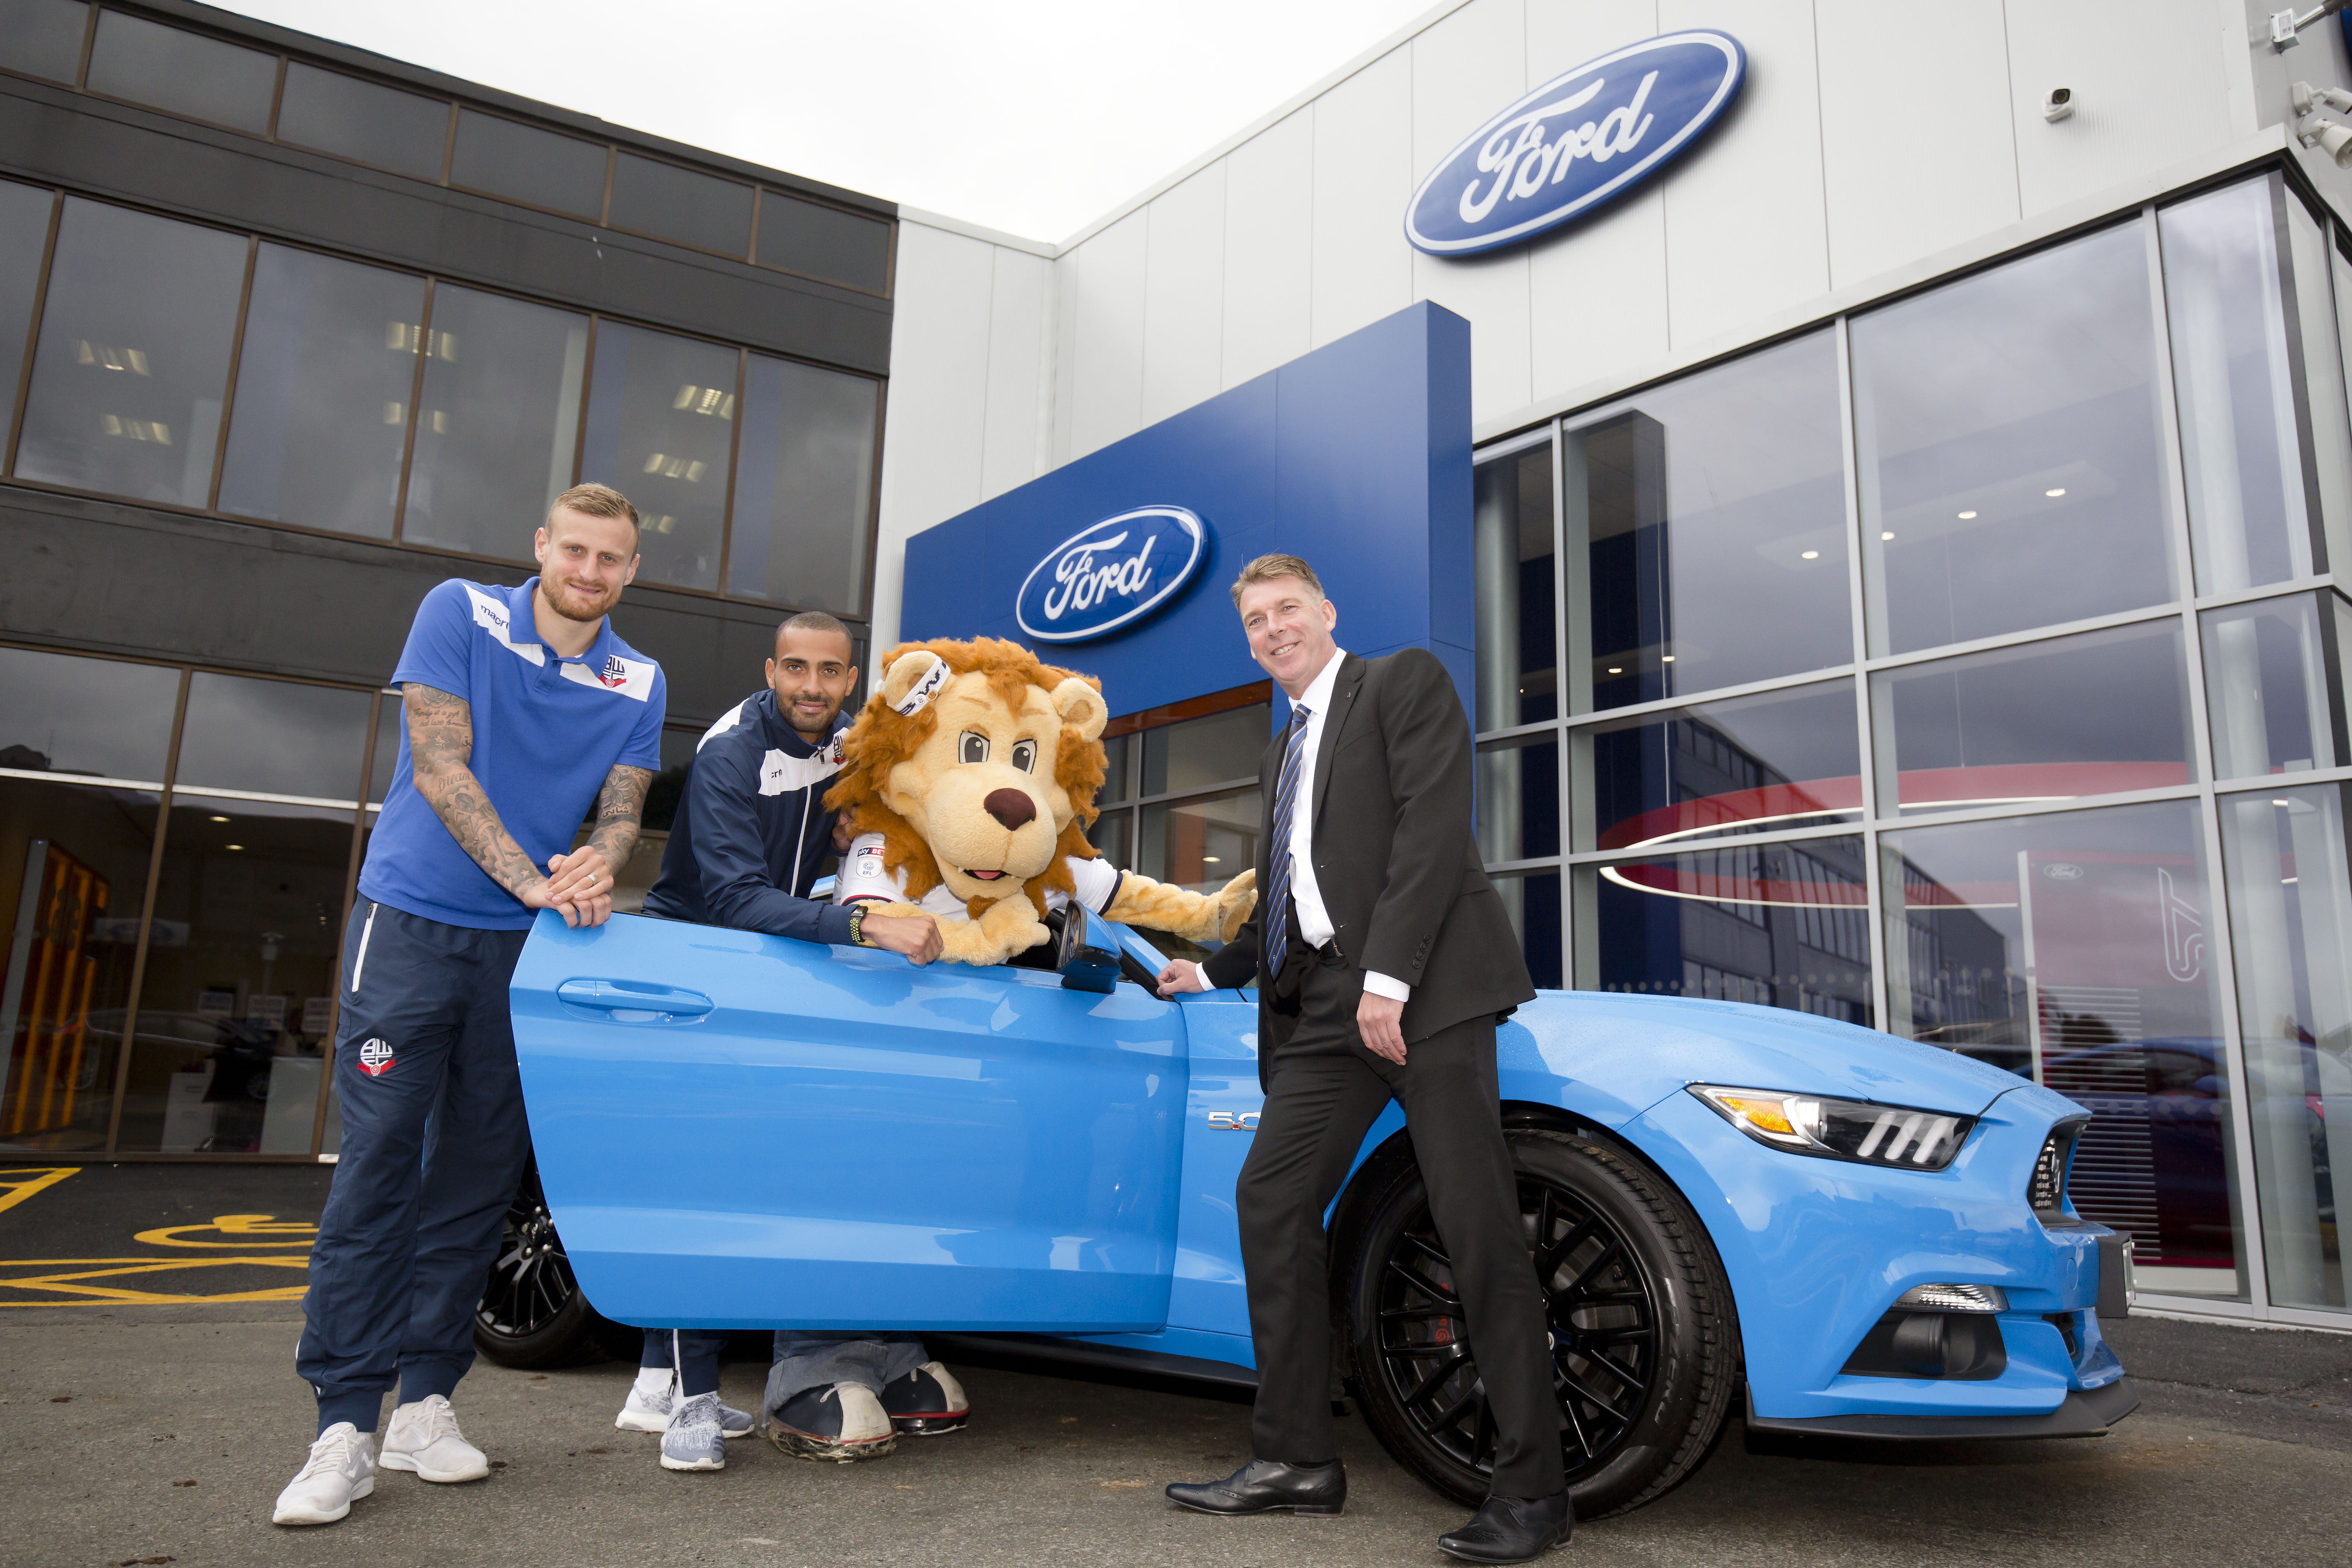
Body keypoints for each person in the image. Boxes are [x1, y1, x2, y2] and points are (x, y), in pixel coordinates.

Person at [1157, 555, 1569, 1564]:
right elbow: (1299, 894)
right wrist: (1214, 975)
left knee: (1475, 1224)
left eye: (1286, 608)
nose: (1271, 628)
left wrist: (1391, 978)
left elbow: (1432, 830)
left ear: (1326, 612)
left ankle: (1533, 1492)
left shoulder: (1401, 682)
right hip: (1326, 1013)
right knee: (1270, 1198)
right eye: (1254, 619)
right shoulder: (1279, 750)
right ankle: (1297, 1459)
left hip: (1423, 994)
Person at [273, 485, 666, 1527]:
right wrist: (528, 876)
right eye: (574, 549)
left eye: (610, 558)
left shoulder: (639, 676)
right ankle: (344, 1426)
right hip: (411, 926)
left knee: (479, 1179)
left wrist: (593, 866)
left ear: (631, 572)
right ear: (542, 547)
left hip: (522, 953)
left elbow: (621, 812)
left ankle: (426, 1406)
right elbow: (441, 765)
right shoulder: (462, 611)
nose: (589, 570)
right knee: (381, 1167)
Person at [621, 610, 964, 1473]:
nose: (813, 686)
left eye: (831, 672)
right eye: (797, 668)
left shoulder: (849, 741)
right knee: (704, 1181)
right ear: (771, 668)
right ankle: (688, 1397)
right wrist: (862, 924)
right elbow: (733, 895)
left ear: (851, 679)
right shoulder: (730, 751)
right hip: (695, 961)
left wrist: (853, 836)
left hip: (767, 962)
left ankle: (658, 1374)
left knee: (757, 1173)